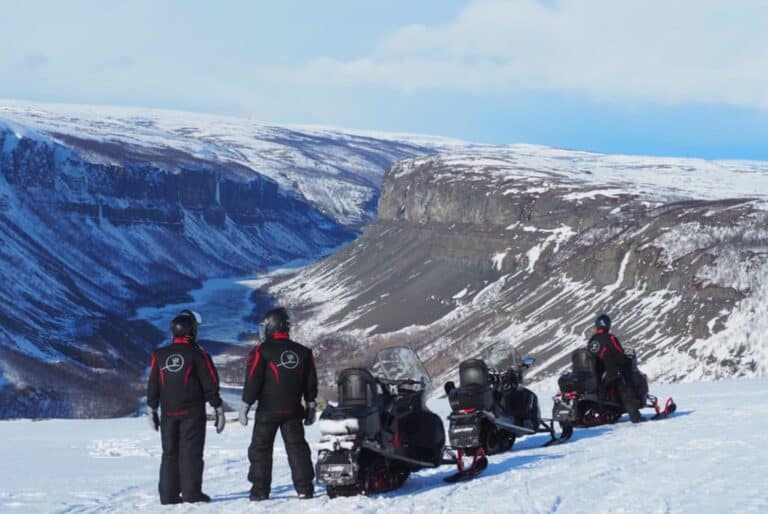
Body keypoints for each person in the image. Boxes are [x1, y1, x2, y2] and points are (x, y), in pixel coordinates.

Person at [147, 309, 226, 504]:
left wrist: (151, 409)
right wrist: (218, 408)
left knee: (169, 453)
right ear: (192, 331)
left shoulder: (159, 354)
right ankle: (192, 493)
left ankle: (168, 496)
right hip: (192, 412)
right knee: (191, 452)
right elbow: (210, 383)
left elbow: (153, 383)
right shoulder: (198, 354)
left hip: (168, 412)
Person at [239, 307, 318, 501]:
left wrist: (245, 404)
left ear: (271, 326)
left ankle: (260, 491)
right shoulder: (303, 352)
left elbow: (253, 379)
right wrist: (311, 405)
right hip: (293, 410)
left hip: (267, 411)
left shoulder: (261, 351)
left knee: (260, 449)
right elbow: (310, 383)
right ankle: (305, 489)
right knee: (297, 448)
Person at [587, 314, 644, 423]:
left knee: (603, 393)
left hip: (598, 375)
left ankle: (606, 413)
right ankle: (635, 416)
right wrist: (626, 361)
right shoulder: (610, 338)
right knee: (625, 390)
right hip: (612, 371)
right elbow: (619, 352)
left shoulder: (592, 341)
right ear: (608, 325)